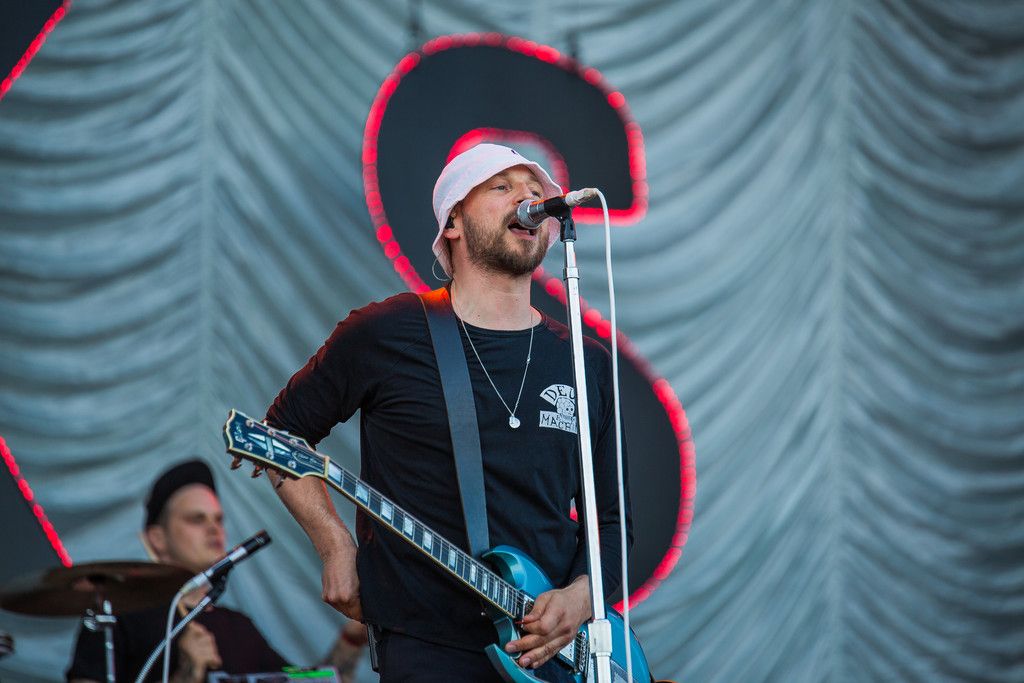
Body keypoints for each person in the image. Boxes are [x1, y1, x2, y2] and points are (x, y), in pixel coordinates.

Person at [264, 143, 632, 682]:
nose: (527, 197)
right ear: (453, 222)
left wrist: (581, 597)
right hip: (428, 648)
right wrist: (334, 543)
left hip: (552, 656)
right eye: (502, 187)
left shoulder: (583, 359)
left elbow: (613, 523)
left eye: (535, 190)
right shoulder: (387, 333)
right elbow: (282, 432)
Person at [66, 459, 367, 683]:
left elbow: (312, 680)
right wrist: (187, 674)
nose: (213, 528)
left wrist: (353, 637)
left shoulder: (240, 628)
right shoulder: (117, 614)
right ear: (157, 538)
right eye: (196, 519)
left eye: (218, 519)